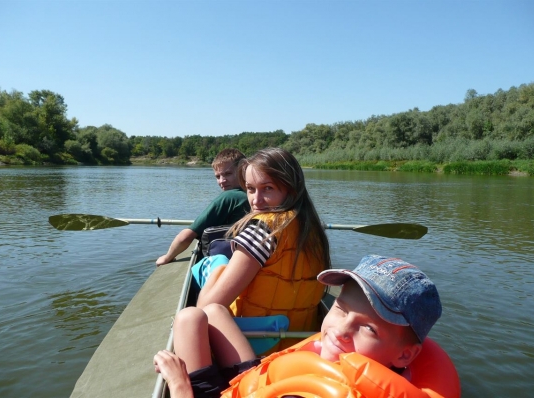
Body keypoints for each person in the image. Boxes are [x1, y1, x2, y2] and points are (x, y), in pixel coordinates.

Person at [153, 255, 443, 398]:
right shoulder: (394, 371)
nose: (341, 331)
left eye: (368, 329)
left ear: (405, 355)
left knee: (187, 319)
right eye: (340, 310)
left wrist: (180, 387)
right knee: (211, 311)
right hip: (258, 381)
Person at [194, 147, 331, 350]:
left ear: (291, 189)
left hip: (255, 345)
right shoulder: (313, 229)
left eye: (267, 188)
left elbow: (205, 311)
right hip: (298, 343)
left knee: (211, 267)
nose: (255, 201)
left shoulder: (262, 231)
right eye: (250, 189)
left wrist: (219, 272)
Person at [156, 148, 249, 266]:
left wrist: (167, 257)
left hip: (229, 261)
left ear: (243, 170)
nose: (222, 181)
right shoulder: (254, 195)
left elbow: (186, 236)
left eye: (228, 174)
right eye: (217, 176)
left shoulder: (229, 197)